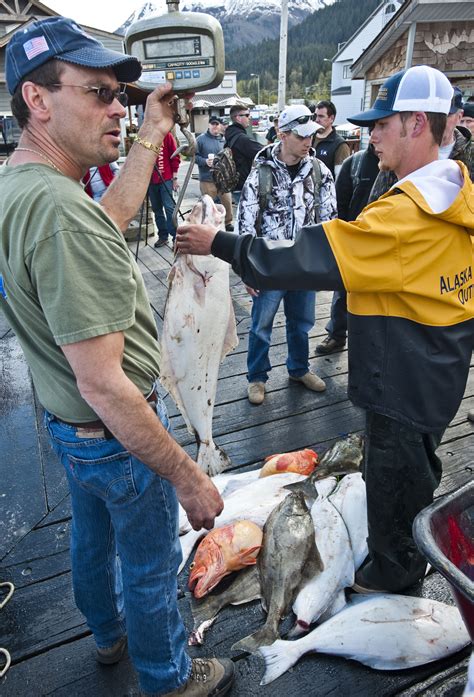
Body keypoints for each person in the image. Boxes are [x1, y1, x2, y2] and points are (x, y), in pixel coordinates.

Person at [0, 16, 234, 697]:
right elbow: (106, 385)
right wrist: (189, 476)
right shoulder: (62, 215)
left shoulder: (23, 187)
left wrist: (155, 131)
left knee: (89, 540)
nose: (116, 109)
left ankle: (106, 635)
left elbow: (101, 223)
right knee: (152, 563)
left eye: (122, 98)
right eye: (98, 93)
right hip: (116, 434)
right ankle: (169, 679)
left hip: (66, 427)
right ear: (37, 99)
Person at [176, 65, 473, 594]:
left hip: (400, 384)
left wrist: (219, 243)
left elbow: (308, 255)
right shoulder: (458, 193)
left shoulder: (408, 218)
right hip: (438, 375)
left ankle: (394, 574)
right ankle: (403, 553)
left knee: (395, 480)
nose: (370, 134)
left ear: (415, 125)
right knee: (417, 468)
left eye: (382, 123)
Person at [237, 104, 336, 404]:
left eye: (312, 135)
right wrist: (246, 269)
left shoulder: (320, 171)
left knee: (302, 323)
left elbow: (330, 219)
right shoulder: (259, 176)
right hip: (269, 267)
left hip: (304, 267)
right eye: (302, 135)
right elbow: (245, 224)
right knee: (261, 326)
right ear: (282, 134)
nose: (309, 141)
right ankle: (257, 377)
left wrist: (324, 264)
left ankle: (298, 368)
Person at [316, 143, 379, 355]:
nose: (376, 135)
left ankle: (373, 343)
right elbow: (339, 204)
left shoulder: (403, 163)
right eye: (374, 127)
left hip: (386, 243)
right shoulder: (356, 163)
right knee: (342, 292)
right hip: (354, 241)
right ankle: (336, 334)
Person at [369, 83, 473, 200]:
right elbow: (378, 200)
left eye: (445, 115)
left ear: (459, 116)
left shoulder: (470, 154)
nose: (437, 120)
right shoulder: (403, 152)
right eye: (432, 114)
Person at [195, 116, 234, 231]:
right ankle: (208, 226)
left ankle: (228, 223)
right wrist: (204, 161)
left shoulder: (224, 139)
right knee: (207, 205)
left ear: (221, 126)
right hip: (207, 179)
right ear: (209, 125)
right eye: (213, 124)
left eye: (217, 124)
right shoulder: (200, 139)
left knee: (227, 202)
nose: (215, 126)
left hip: (223, 179)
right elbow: (194, 156)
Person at [148, 130, 180, 248]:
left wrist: (175, 177)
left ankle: (176, 237)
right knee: (157, 209)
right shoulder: (146, 136)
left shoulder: (166, 136)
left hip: (166, 178)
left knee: (169, 208)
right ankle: (163, 236)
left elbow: (175, 156)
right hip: (151, 180)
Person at [225, 104, 262, 203]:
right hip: (244, 188)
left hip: (236, 186)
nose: (249, 117)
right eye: (247, 115)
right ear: (238, 118)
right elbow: (263, 152)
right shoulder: (241, 139)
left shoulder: (231, 136)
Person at [313, 100, 351, 178]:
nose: (316, 120)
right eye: (315, 116)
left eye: (321, 116)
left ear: (331, 118)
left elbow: (340, 179)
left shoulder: (340, 145)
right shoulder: (308, 138)